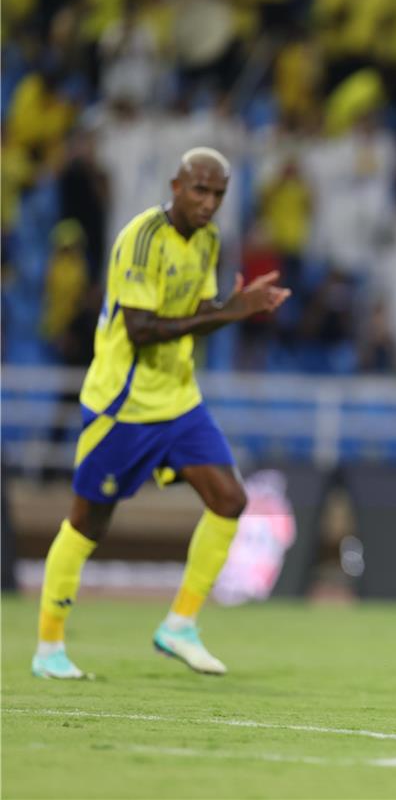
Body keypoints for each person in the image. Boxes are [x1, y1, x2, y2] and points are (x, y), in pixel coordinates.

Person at [32, 147, 291, 680]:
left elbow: (196, 313)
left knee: (230, 499)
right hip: (123, 405)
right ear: (175, 186)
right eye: (199, 190)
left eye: (218, 193)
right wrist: (227, 312)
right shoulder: (142, 238)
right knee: (88, 523)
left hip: (178, 399)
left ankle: (180, 625)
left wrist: (231, 311)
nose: (209, 202)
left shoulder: (210, 240)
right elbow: (141, 328)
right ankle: (49, 647)